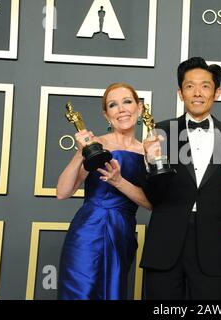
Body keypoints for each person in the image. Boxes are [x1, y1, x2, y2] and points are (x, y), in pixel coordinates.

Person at [140, 57, 221, 299]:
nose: (197, 93)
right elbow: (152, 196)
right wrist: (149, 163)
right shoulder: (160, 131)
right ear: (180, 92)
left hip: (212, 246)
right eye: (190, 86)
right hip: (165, 242)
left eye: (205, 86)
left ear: (217, 93)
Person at [56, 83, 152, 300]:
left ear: (138, 108)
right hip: (87, 232)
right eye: (113, 105)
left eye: (127, 101)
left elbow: (150, 203)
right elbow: (62, 192)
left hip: (121, 233)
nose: (121, 109)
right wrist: (81, 153)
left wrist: (118, 182)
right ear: (106, 115)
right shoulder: (96, 145)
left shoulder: (149, 151)